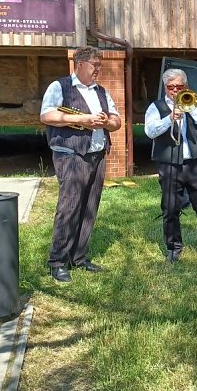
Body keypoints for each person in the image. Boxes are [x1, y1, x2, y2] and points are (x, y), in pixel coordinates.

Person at [40, 46, 122, 283]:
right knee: (70, 206)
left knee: (89, 207)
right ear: (80, 65)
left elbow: (116, 122)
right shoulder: (60, 86)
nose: (99, 69)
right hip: (71, 155)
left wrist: (107, 122)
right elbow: (46, 115)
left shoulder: (101, 91)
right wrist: (81, 119)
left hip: (96, 154)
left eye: (100, 65)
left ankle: (79, 257)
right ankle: (57, 261)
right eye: (95, 65)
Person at [144, 68, 197, 262]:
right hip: (169, 163)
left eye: (179, 86)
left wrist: (193, 110)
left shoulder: (192, 102)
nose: (175, 91)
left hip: (194, 163)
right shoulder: (156, 107)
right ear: (165, 87)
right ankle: (173, 248)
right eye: (171, 87)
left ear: (185, 86)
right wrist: (169, 118)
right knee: (170, 208)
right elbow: (150, 131)